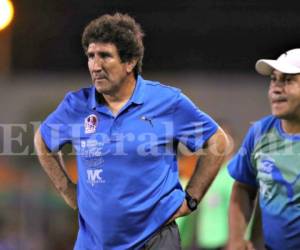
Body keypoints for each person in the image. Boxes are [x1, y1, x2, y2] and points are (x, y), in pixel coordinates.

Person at [34, 13, 227, 250]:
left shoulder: (167, 102)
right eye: (91, 56)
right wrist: (67, 189)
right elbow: (42, 140)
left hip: (155, 239)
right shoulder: (76, 106)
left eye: (105, 56)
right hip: (94, 243)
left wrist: (192, 198)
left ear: (130, 62)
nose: (95, 66)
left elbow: (216, 141)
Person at [228, 48, 300, 250]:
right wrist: (236, 240)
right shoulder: (260, 132)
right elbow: (243, 187)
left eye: (287, 80)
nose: (276, 89)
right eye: (273, 79)